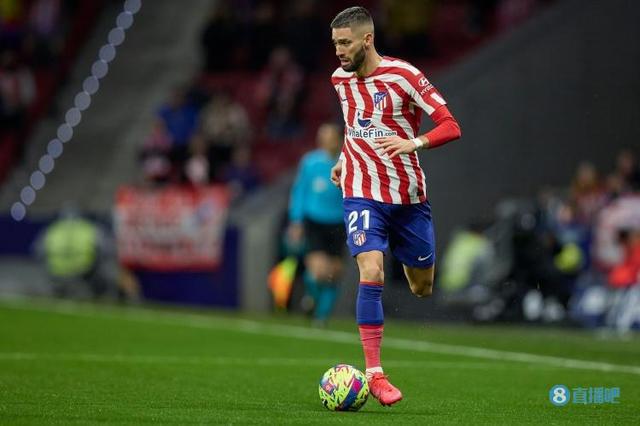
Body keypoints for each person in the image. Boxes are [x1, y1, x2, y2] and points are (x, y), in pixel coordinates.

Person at [328, 6, 461, 406]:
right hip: (361, 192)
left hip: (407, 197)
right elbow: (355, 126)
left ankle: (405, 252)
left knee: (422, 287)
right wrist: (344, 158)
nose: (339, 51)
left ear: (367, 39)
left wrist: (413, 143)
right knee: (371, 270)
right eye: (335, 44)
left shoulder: (404, 76)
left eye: (345, 43)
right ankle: (375, 374)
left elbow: (451, 125)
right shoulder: (339, 80)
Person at [287, 123, 345, 326]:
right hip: (315, 221)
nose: (325, 141)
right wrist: (296, 220)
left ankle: (321, 317)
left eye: (330, 137)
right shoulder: (310, 162)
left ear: (339, 139)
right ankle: (312, 299)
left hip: (340, 222)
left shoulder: (347, 162)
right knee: (318, 271)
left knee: (333, 273)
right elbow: (299, 191)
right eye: (323, 137)